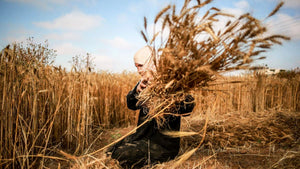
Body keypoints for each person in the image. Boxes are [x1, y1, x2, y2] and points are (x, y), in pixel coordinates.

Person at [106, 46, 195, 168]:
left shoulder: (172, 83)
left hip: (162, 146)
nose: (138, 70)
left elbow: (188, 107)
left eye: (140, 65)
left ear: (151, 63)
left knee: (121, 155)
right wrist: (136, 91)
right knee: (110, 150)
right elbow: (131, 104)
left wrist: (169, 102)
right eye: (136, 66)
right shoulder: (143, 82)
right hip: (141, 137)